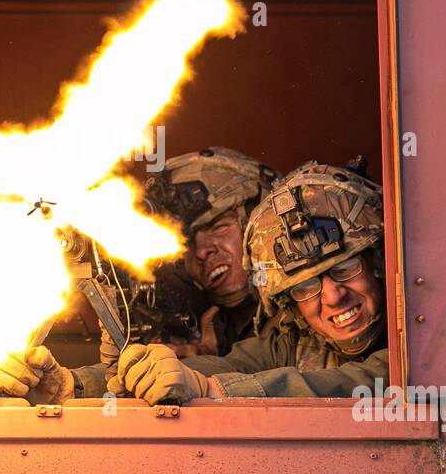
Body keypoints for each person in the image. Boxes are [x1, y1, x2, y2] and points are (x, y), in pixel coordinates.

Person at [0, 147, 280, 403]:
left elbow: (304, 377)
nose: (203, 252)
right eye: (189, 243)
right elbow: (223, 366)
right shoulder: (211, 323)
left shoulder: (312, 305)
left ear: (260, 224)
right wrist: (73, 386)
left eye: (218, 227)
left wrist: (206, 386)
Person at [116, 161, 389, 402]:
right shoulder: (291, 344)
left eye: (345, 268)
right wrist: (82, 383)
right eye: (305, 287)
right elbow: (232, 365)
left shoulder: (413, 336)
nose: (332, 296)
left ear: (376, 264)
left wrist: (212, 390)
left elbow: (372, 379)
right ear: (292, 306)